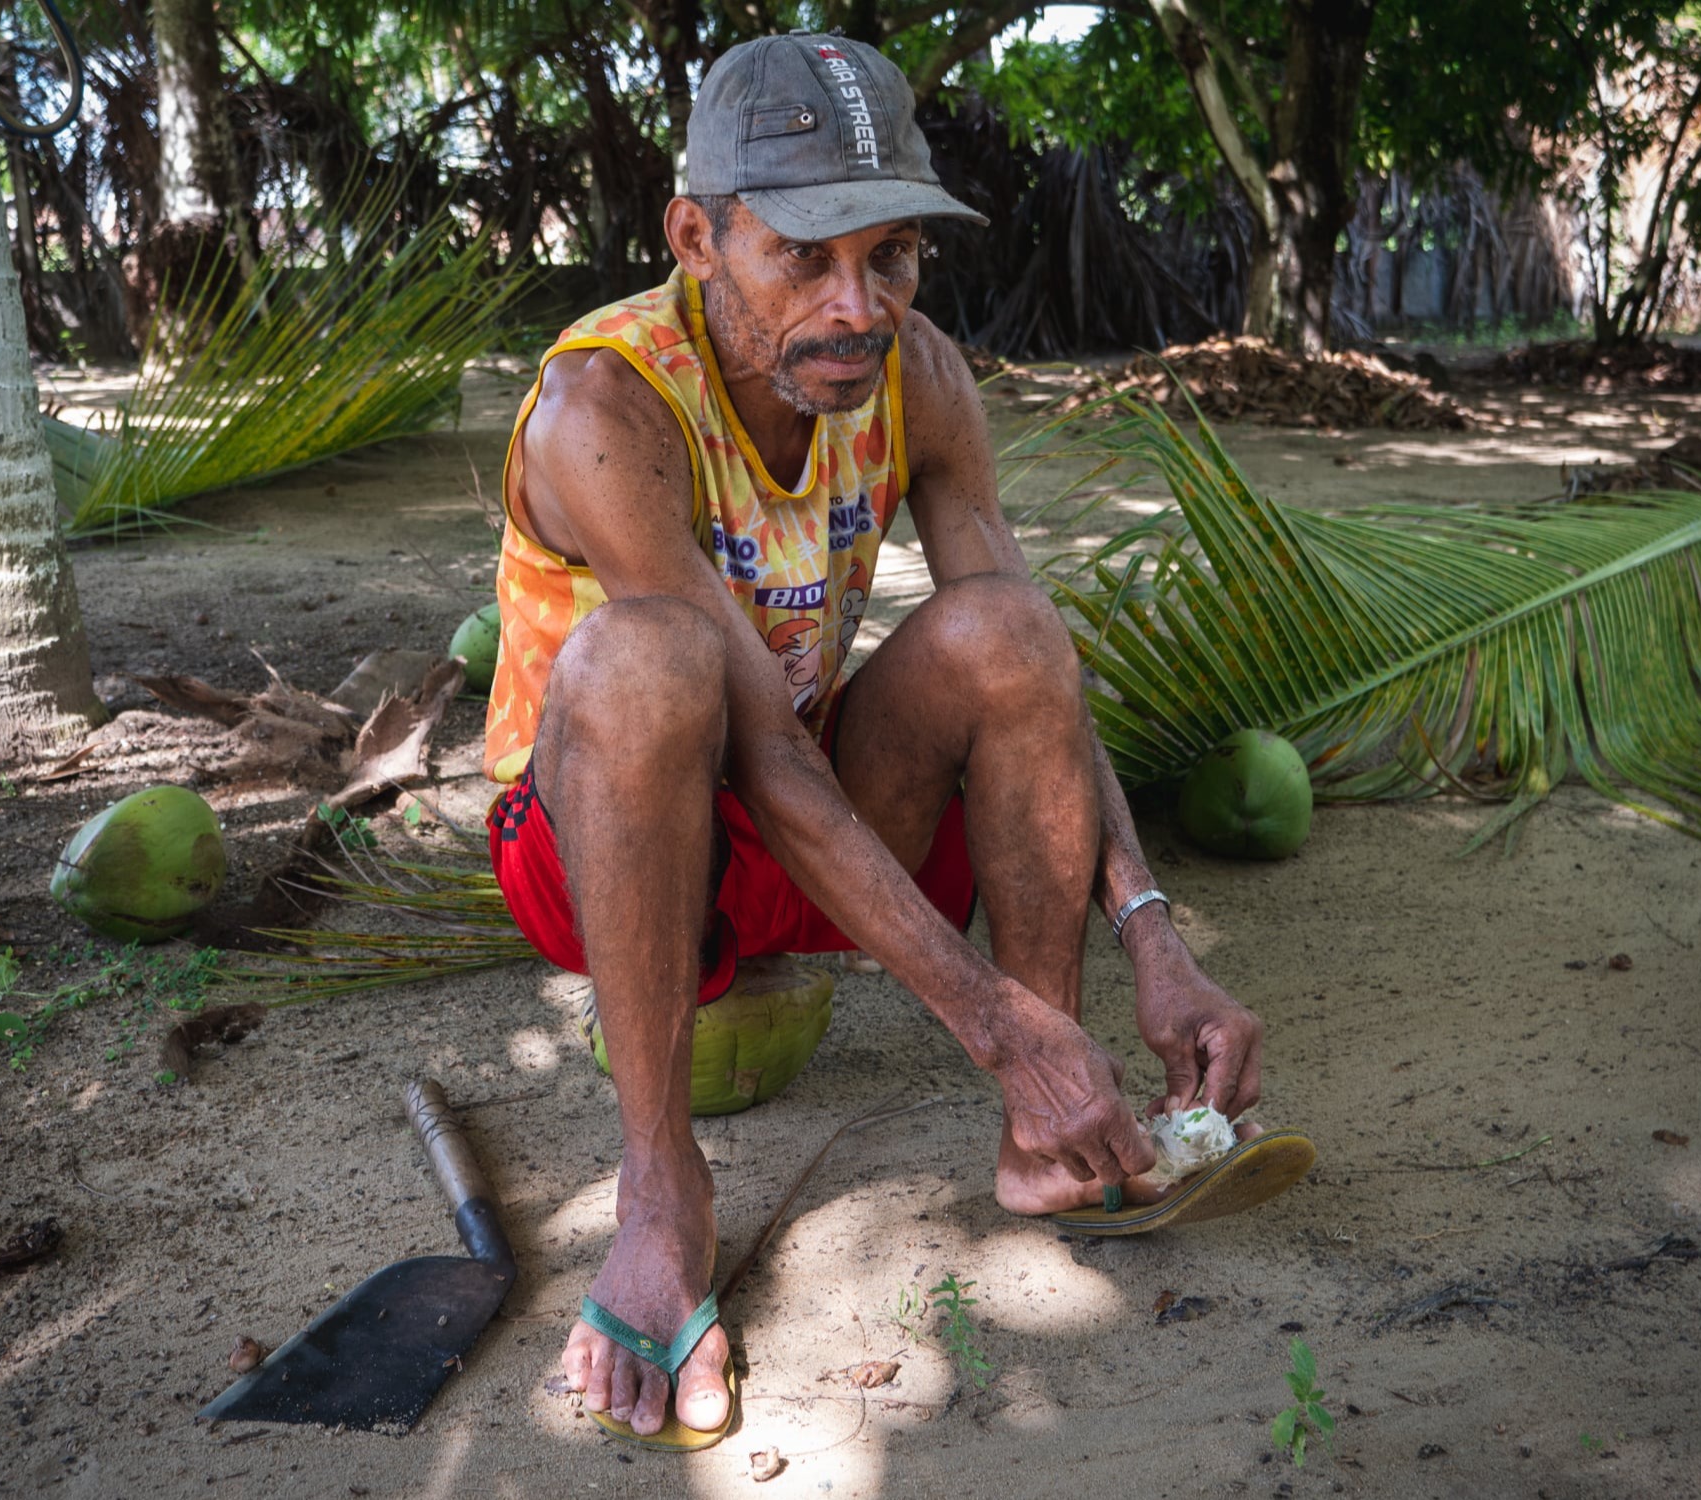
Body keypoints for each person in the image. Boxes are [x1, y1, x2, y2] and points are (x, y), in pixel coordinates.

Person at [481, 31, 1277, 1450]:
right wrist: (987, 1023)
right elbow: (763, 754)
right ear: (696, 238)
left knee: (1010, 627)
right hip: (605, 853)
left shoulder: (919, 372)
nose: (857, 307)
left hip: (816, 832)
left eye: (892, 255)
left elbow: (1035, 673)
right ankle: (661, 1195)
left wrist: (1151, 930)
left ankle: (1048, 1138)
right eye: (805, 257)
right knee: (647, 656)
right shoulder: (604, 405)